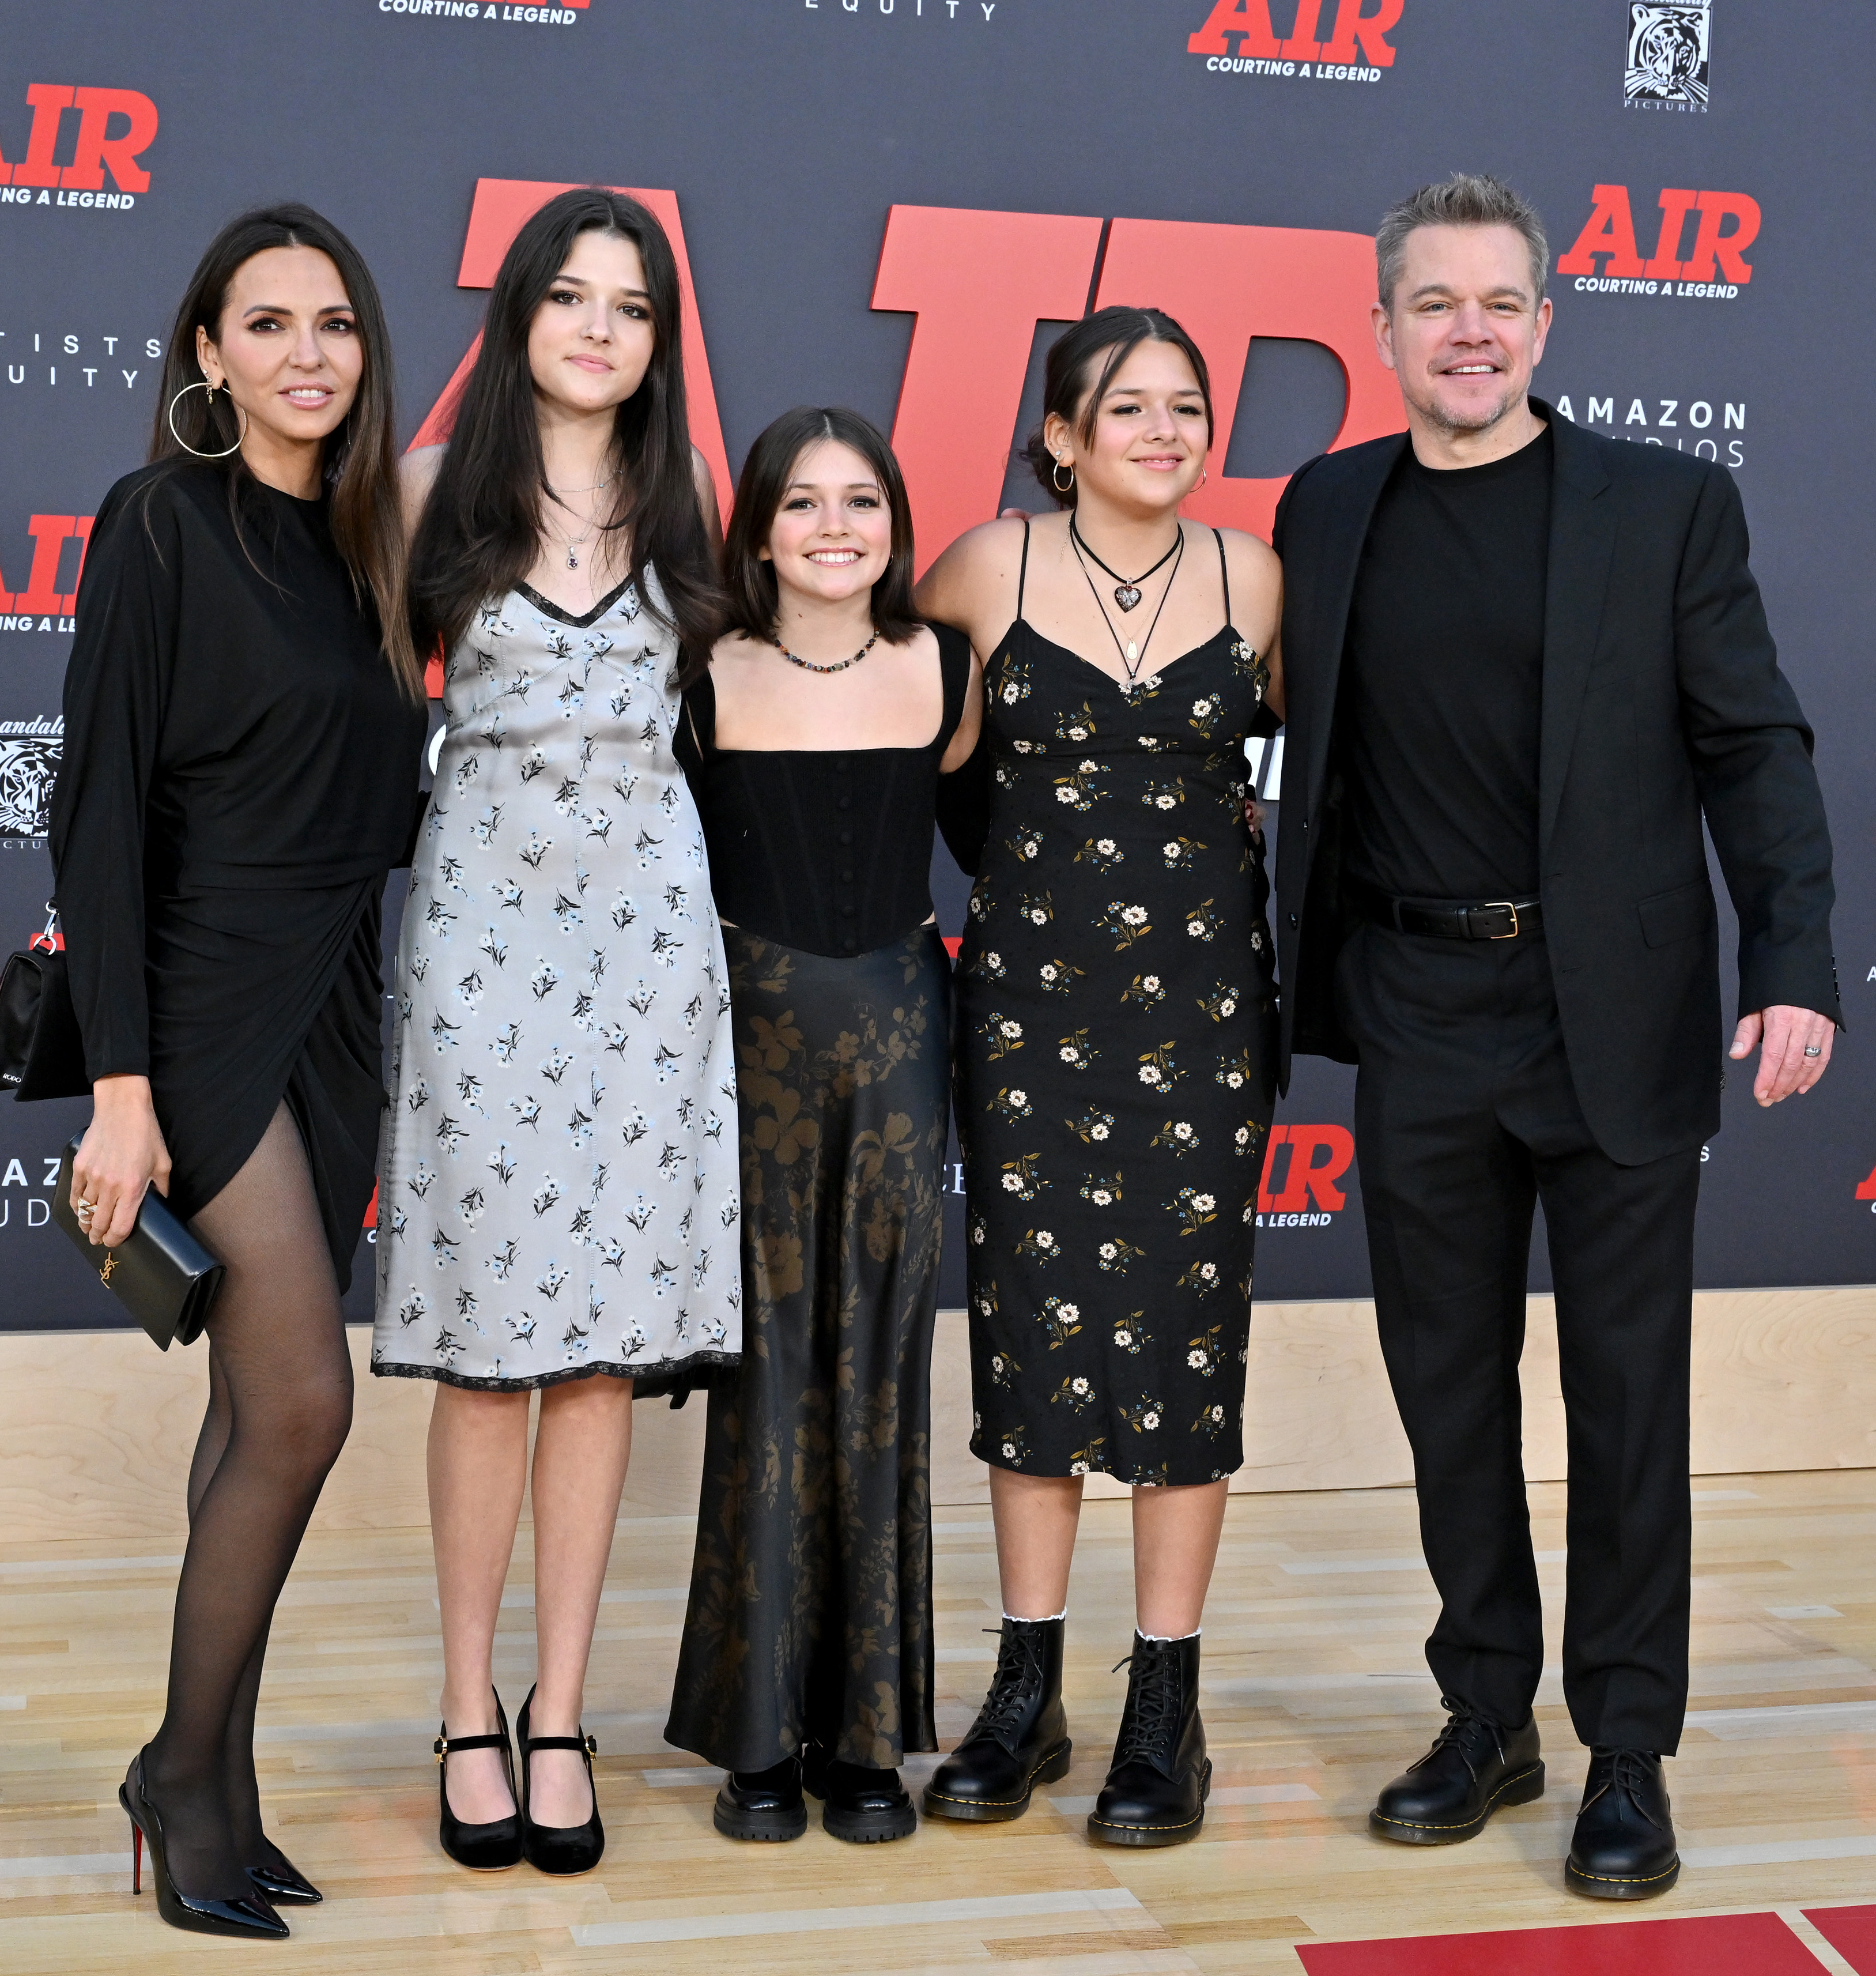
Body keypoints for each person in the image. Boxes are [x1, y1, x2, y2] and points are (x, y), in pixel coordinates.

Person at [1268, 174, 1841, 1900]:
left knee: (1626, 1400)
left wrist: (1792, 961)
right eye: (1432, 303)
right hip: (1418, 1009)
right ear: (1381, 330)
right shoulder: (1326, 506)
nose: (1467, 331)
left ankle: (1631, 1755)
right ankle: (1486, 1713)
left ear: (1545, 323)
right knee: (1447, 1393)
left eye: (1498, 302)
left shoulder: (1663, 505)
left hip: (1615, 1016)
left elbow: (1756, 745)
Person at [50, 204, 423, 1940]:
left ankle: (222, 1773)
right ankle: (179, 1772)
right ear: (207, 353)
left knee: (241, 1420)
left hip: (340, 996)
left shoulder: (366, 551)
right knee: (299, 1405)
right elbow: (98, 812)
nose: (304, 354)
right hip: (202, 1002)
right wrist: (121, 1086)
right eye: (265, 323)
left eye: (332, 323)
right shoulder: (159, 526)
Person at [371, 186, 741, 1880]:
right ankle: (465, 1706)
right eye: (570, 296)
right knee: (484, 1347)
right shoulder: (432, 493)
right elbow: (343, 717)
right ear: (518, 314)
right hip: (481, 936)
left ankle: (565, 1707)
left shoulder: (687, 502)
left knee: (599, 1345)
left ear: (663, 342)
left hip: (653, 946)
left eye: (633, 305)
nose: (600, 327)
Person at [915, 308, 1284, 1848]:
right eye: (1124, 407)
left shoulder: (1254, 577)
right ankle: (1027, 1688)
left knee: (1186, 1352)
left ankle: (1165, 1703)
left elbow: (1285, 783)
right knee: (1035, 1343)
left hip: (1204, 1023)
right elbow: (918, 776)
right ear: (1058, 436)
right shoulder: (979, 569)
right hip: (1031, 1020)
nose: (1161, 429)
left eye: (1185, 406)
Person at [659, 407, 982, 1846]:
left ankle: (867, 1739)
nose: (836, 526)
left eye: (863, 500)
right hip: (750, 1049)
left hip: (908, 1044)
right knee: (768, 1381)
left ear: (897, 526)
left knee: (883, 1382)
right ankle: (757, 1737)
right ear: (760, 529)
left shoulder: (947, 668)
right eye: (804, 502)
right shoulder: (700, 675)